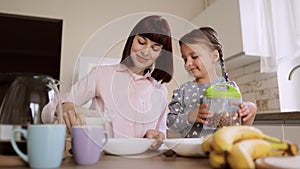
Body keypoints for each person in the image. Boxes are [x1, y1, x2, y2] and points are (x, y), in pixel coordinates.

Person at [42, 15, 174, 149]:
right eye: (141, 42)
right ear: (132, 40)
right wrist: (63, 106)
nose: (146, 52)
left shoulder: (160, 91)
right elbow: (47, 111)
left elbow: (161, 134)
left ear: (161, 53)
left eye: (155, 48)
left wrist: (156, 137)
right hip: (100, 159)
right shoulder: (101, 74)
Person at [167, 27, 257, 138]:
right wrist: (190, 116)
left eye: (194, 56)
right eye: (185, 59)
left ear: (214, 56)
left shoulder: (230, 89)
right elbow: (170, 123)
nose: (188, 63)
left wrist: (251, 110)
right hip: (190, 152)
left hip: (221, 150)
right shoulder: (182, 91)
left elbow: (239, 129)